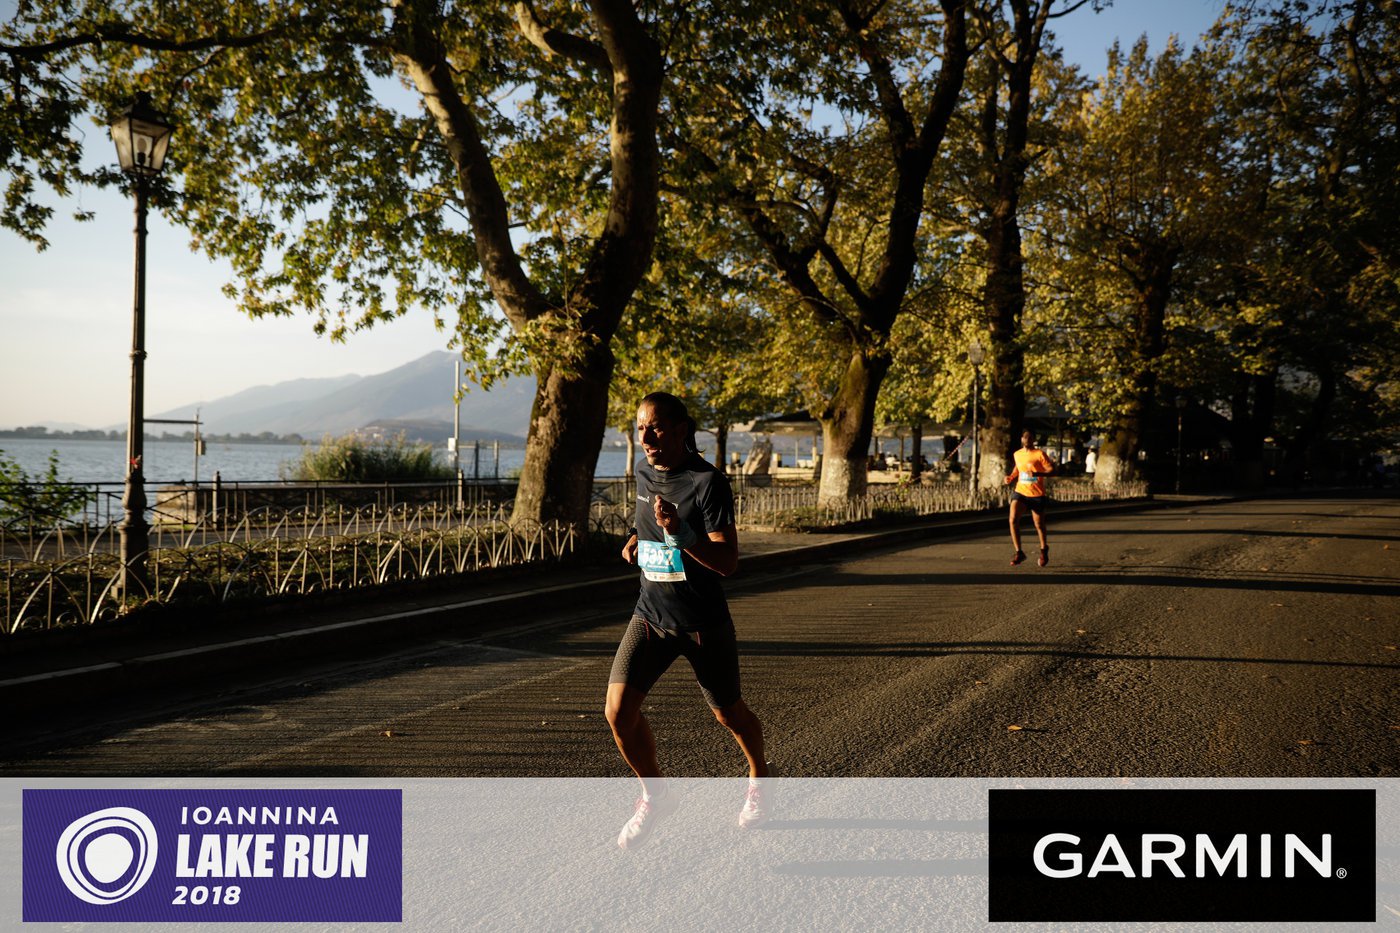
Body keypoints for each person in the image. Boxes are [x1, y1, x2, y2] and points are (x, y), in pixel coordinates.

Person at [608, 392, 772, 849]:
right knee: (618, 712)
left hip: (701, 621)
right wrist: (635, 538)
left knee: (729, 714)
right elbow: (648, 520)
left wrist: (681, 532)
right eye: (641, 428)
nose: (647, 437)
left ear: (681, 430)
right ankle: (656, 796)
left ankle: (760, 777)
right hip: (650, 614)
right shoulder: (643, 471)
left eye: (656, 427)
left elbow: (727, 561)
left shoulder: (708, 482)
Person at [1005, 429, 1056, 567]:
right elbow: (1018, 468)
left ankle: (1044, 549)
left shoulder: (1039, 454)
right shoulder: (1017, 454)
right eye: (1025, 437)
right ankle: (1019, 552)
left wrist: (1038, 474)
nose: (1027, 439)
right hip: (1021, 492)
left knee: (1039, 524)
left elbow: (1051, 470)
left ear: (1033, 439)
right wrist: (1011, 476)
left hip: (1036, 494)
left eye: (1030, 437)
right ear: (1021, 439)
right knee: (1012, 519)